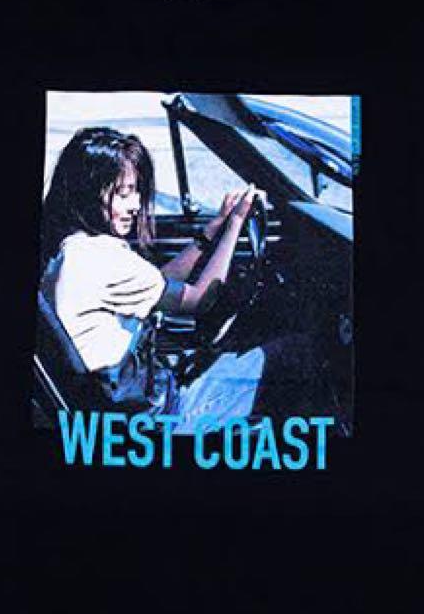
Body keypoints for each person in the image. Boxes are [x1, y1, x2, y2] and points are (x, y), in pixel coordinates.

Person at [39, 125, 312, 431]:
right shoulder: (102, 258)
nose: (135, 204)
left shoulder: (75, 248)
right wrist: (235, 224)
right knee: (296, 351)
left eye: (136, 191)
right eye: (123, 193)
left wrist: (213, 229)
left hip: (137, 403)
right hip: (166, 417)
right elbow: (200, 299)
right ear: (87, 193)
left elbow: (158, 280)